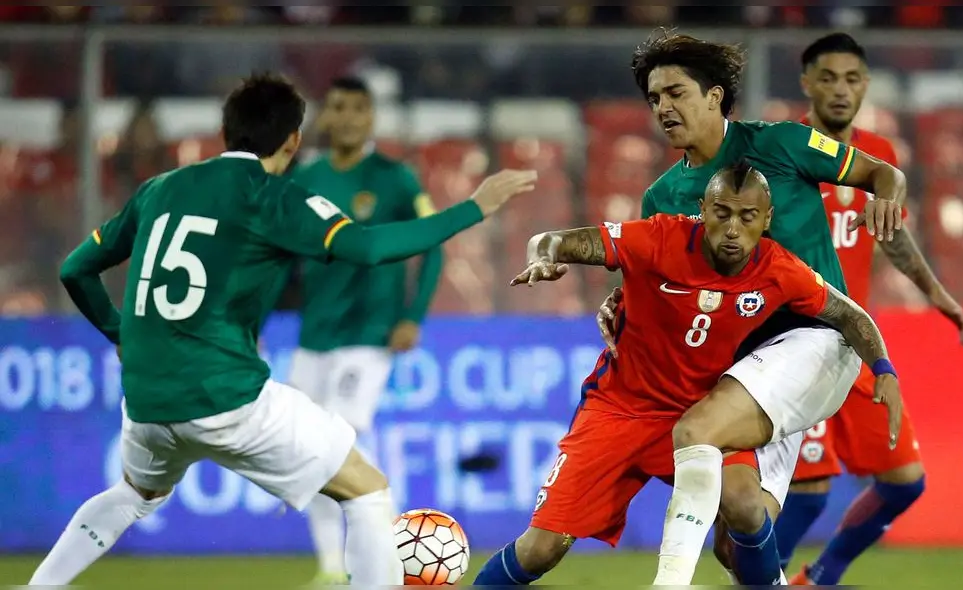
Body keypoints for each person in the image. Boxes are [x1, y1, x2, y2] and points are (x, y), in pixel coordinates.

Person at [28, 72, 537, 586]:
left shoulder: (160, 188)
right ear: (293, 140)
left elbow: (75, 268)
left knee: (132, 495)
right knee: (366, 489)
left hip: (146, 400)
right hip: (224, 395)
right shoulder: (272, 197)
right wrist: (474, 207)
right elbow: (369, 249)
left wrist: (120, 333)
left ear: (226, 130)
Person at [473, 161, 902, 586]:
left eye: (747, 217)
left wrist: (884, 369)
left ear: (766, 220)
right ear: (703, 209)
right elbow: (552, 241)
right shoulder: (660, 238)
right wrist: (543, 257)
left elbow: (849, 315)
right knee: (541, 549)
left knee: (746, 506)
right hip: (619, 410)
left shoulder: (778, 269)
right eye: (722, 213)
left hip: (700, 415)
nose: (733, 228)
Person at [593, 28, 906, 585]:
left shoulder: (784, 143)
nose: (664, 107)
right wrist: (617, 305)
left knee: (694, 433)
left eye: (676, 92)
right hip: (742, 367)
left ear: (715, 96)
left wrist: (886, 199)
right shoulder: (662, 197)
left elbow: (883, 173)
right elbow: (653, 289)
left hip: (819, 338)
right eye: (654, 98)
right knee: (739, 526)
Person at [771, 33, 963, 586]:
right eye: (829, 78)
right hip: (792, 341)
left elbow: (894, 238)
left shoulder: (879, 159)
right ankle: (760, 582)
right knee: (808, 494)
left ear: (866, 85)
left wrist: (938, 295)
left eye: (853, 78)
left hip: (855, 344)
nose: (841, 90)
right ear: (806, 82)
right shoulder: (779, 150)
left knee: (904, 481)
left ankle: (819, 577)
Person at [287, 77, 444, 585]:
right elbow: (279, 255)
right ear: (326, 117)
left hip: (371, 333)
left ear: (372, 117)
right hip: (315, 334)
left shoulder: (396, 178)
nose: (349, 117)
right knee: (307, 445)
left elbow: (435, 245)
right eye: (338, 107)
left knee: (344, 426)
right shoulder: (306, 178)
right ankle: (333, 566)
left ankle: (391, 536)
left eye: (359, 108)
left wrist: (412, 315)